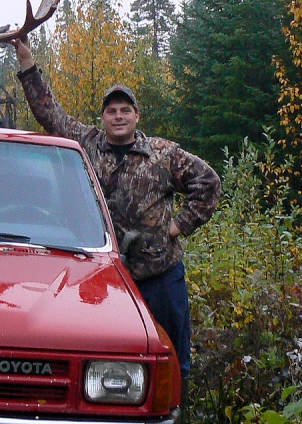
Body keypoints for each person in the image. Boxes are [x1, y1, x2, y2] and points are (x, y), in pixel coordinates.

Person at [12, 35, 221, 412]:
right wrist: (27, 63)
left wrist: (176, 228)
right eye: (112, 111)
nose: (119, 116)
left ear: (136, 116)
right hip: (107, 283)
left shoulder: (162, 154)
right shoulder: (89, 145)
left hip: (159, 277)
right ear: (103, 118)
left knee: (174, 363)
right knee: (105, 365)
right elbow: (50, 113)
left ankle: (176, 414)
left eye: (125, 109)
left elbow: (208, 183)